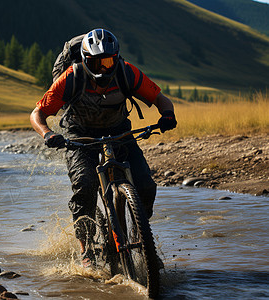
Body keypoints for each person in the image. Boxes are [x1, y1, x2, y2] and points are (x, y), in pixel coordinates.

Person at [30, 29, 177, 266]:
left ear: (116, 58)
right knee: (85, 185)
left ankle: (143, 239)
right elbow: (38, 113)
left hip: (119, 131)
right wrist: (48, 134)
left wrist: (167, 114)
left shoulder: (126, 72)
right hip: (79, 135)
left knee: (146, 185)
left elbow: (160, 98)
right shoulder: (71, 77)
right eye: (96, 62)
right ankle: (86, 248)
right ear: (85, 59)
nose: (103, 68)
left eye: (108, 61)